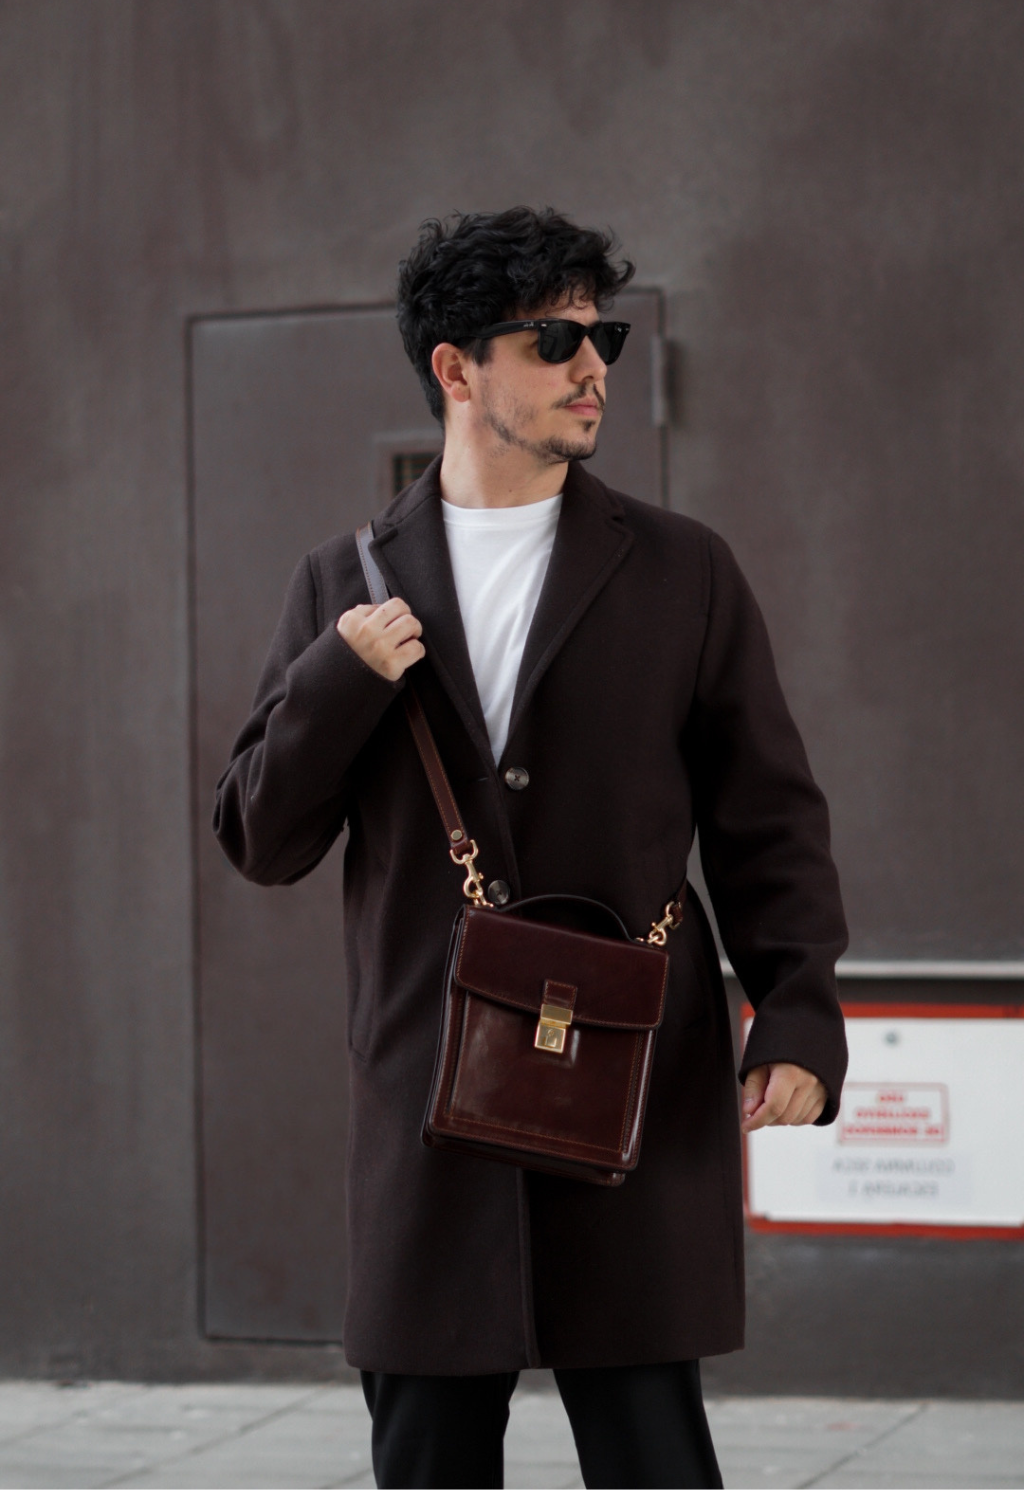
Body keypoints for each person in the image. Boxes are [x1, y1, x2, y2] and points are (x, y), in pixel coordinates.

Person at [214, 206, 848, 1489]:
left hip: (632, 1071)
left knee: (653, 1449)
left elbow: (766, 816)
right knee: (430, 1451)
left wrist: (796, 1010)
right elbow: (261, 836)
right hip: (430, 1094)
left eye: (602, 336)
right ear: (456, 368)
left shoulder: (681, 571)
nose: (592, 365)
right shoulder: (344, 584)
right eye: (554, 341)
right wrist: (339, 681)